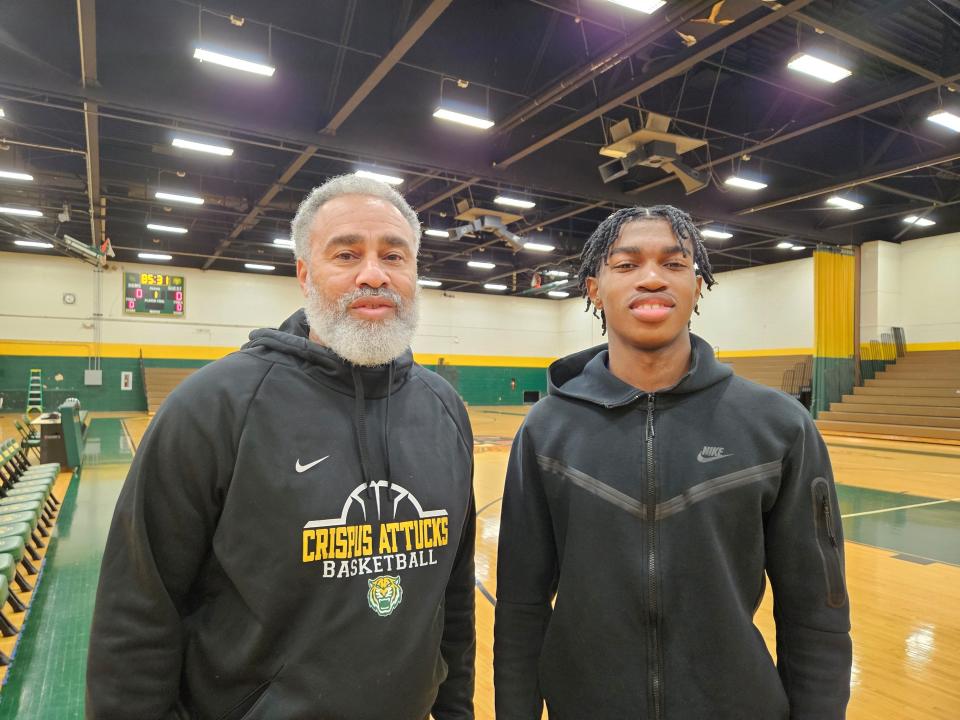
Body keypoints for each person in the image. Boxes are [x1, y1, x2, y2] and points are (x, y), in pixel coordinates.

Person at [87, 175, 476, 720]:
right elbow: (137, 614)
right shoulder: (213, 406)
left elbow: (453, 597)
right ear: (304, 274)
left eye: (394, 256)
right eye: (346, 254)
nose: (373, 274)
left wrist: (456, 709)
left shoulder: (444, 408)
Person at [494, 205, 851, 719]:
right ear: (594, 288)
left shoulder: (779, 425)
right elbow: (522, 609)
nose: (652, 279)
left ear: (699, 285)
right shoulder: (546, 430)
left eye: (674, 263)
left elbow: (817, 610)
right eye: (626, 264)